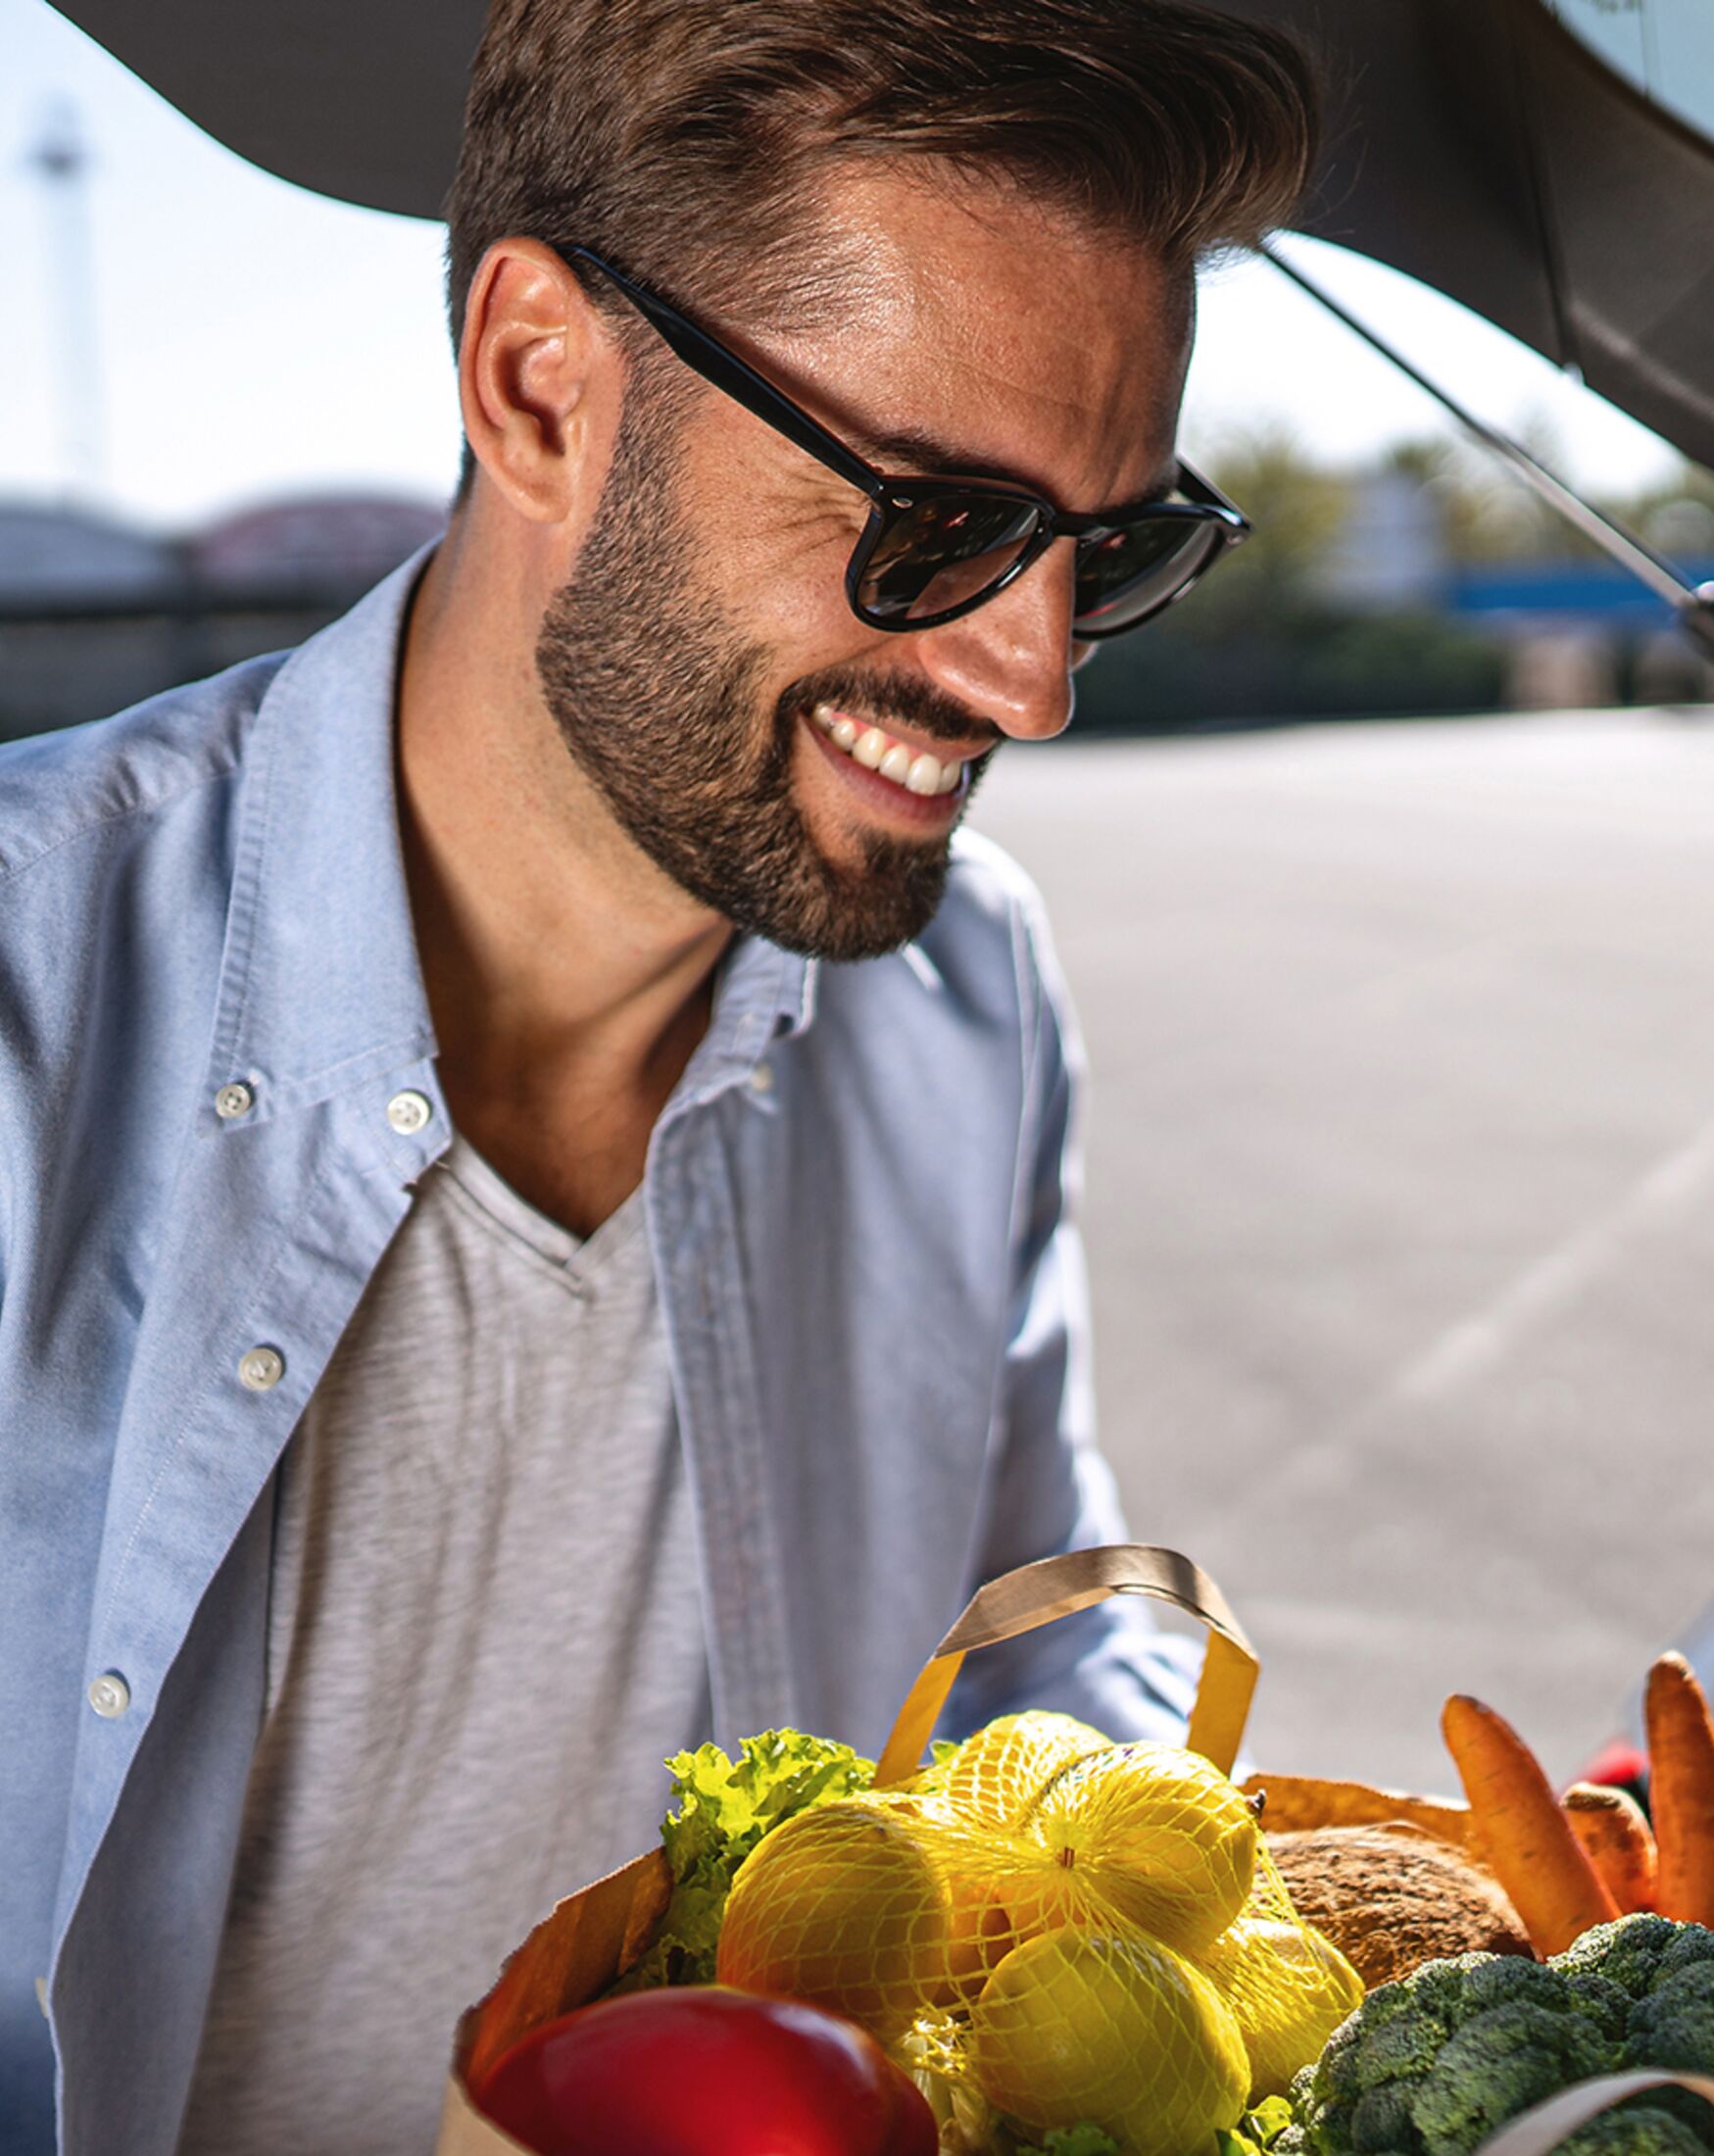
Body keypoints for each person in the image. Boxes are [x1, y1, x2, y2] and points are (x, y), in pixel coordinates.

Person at [0, 2, 1317, 2149]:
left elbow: (1025, 1653)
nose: (1035, 676)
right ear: (543, 385)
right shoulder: (26, 1001)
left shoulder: (965, 1004)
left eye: (1114, 545)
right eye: (939, 520)